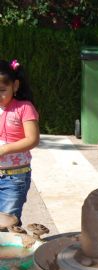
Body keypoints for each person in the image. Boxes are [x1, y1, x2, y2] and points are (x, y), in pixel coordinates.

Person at [0, 59, 39, 225]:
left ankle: (11, 250)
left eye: (2, 90)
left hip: (14, 178)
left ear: (15, 86)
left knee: (7, 223)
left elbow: (33, 139)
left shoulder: (24, 108)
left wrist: (4, 149)